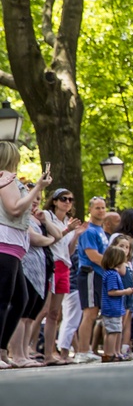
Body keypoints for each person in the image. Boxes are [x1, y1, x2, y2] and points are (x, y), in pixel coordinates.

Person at [0, 143, 52, 369]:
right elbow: (14, 209)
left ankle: (3, 350)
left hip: (14, 246)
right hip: (6, 243)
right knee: (3, 299)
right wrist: (37, 187)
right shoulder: (6, 178)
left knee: (21, 298)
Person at [39, 188, 82, 365]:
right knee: (45, 310)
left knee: (56, 313)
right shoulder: (48, 217)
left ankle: (51, 352)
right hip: (52, 264)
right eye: (63, 198)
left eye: (70, 199)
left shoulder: (68, 221)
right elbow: (51, 240)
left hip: (65, 265)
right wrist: (67, 230)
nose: (67, 202)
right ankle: (38, 350)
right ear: (55, 201)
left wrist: (76, 236)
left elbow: (69, 251)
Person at [73, 196, 109, 363]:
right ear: (90, 210)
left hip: (99, 275)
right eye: (97, 208)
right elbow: (93, 256)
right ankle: (82, 352)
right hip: (90, 273)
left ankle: (86, 349)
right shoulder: (89, 231)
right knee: (89, 312)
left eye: (103, 208)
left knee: (94, 313)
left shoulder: (100, 230)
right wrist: (114, 264)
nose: (101, 211)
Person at [100, 245, 133, 362]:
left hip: (117, 308)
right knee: (112, 331)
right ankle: (109, 353)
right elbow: (111, 292)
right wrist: (125, 291)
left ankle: (116, 351)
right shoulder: (111, 275)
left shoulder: (113, 274)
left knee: (117, 330)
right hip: (111, 308)